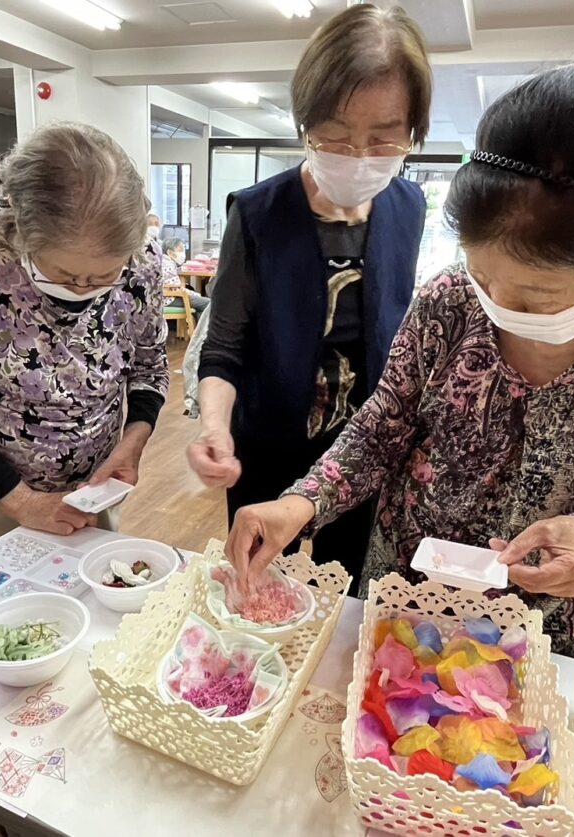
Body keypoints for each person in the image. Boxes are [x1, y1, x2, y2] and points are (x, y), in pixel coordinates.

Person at [224, 63, 574, 658]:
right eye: (481, 276)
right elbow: (384, 426)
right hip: (410, 593)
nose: (497, 307)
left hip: (558, 629)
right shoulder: (450, 298)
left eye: (536, 296)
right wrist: (303, 502)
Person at [188, 3, 431, 586]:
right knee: (261, 581)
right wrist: (214, 427)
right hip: (267, 443)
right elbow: (223, 343)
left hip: (362, 451)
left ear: (412, 133)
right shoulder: (257, 214)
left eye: (383, 138)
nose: (358, 154)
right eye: (337, 135)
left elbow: (396, 337)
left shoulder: (408, 207)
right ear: (306, 124)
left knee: (348, 587)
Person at [0, 122, 169, 560]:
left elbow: (149, 366)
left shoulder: (143, 255)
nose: (84, 289)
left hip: (92, 486)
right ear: (19, 234)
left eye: (104, 277)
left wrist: (131, 443)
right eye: (65, 275)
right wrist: (23, 503)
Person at [161, 236, 210, 318]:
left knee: (200, 305)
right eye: (180, 250)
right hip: (170, 299)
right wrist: (195, 294)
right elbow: (176, 289)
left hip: (167, 297)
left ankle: (199, 330)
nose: (183, 253)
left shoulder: (164, 261)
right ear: (170, 252)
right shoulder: (167, 265)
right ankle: (202, 330)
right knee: (208, 303)